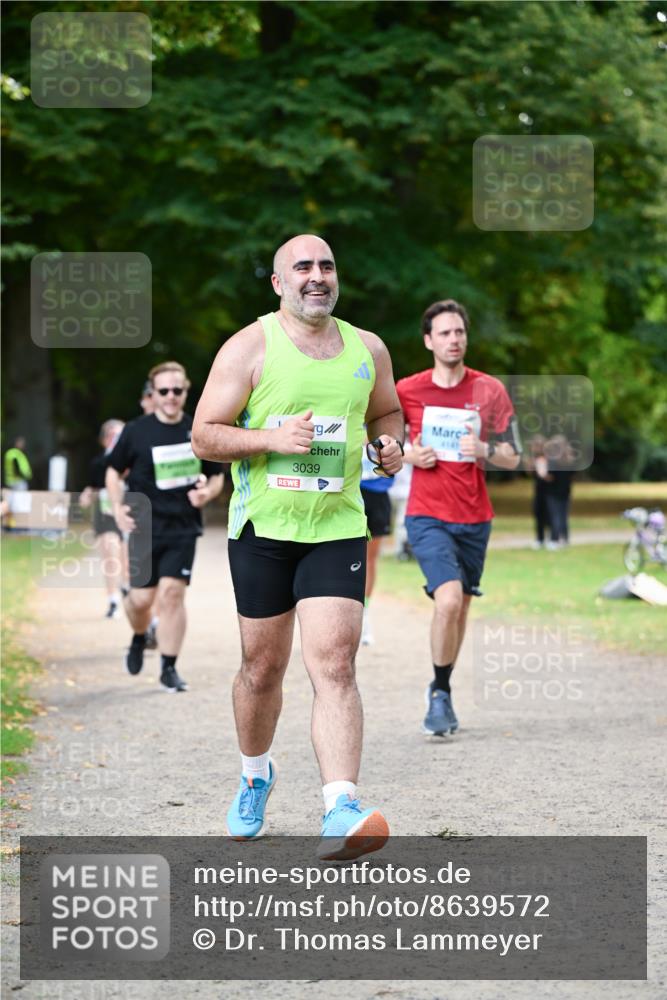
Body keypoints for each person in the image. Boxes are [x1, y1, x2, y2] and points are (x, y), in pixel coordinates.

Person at [192, 233, 404, 860]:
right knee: (262, 671)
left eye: (327, 265)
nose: (318, 276)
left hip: (336, 525)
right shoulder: (250, 346)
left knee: (335, 664)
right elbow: (205, 434)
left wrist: (386, 445)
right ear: (279, 282)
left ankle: (340, 806)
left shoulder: (368, 349)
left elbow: (386, 412)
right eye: (302, 267)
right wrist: (269, 440)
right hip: (263, 531)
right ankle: (255, 775)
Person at [396, 299, 521, 737]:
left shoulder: (489, 390)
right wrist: (409, 453)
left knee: (460, 607)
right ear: (428, 340)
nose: (454, 339)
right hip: (427, 514)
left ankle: (441, 688)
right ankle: (439, 696)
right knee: (447, 601)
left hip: (475, 516)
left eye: (460, 332)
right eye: (445, 333)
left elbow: (513, 455)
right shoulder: (406, 391)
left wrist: (486, 451)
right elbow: (378, 452)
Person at [106, 361, 224, 693]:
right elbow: (113, 472)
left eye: (177, 390)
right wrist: (117, 508)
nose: (171, 396)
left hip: (183, 527)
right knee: (141, 600)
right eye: (164, 391)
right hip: (144, 527)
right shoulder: (135, 431)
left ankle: (169, 668)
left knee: (173, 594)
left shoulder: (199, 430)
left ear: (186, 391)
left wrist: (207, 493)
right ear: (153, 393)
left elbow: (216, 476)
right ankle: (139, 635)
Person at [79, 419, 127, 618]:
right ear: (104, 439)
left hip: (129, 513)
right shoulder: (98, 463)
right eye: (112, 435)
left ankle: (126, 587)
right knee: (109, 554)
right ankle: (113, 600)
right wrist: (86, 495)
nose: (116, 439)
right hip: (105, 513)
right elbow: (92, 486)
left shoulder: (134, 458)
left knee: (126, 560)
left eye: (120, 435)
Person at [359, 442, 393, 645]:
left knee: (369, 560)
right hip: (348, 490)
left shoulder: (385, 415)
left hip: (378, 494)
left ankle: (364, 614)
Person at [544, 434, 575, 548]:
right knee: (563, 516)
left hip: (553, 492)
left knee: (555, 516)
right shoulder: (570, 460)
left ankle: (554, 539)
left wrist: (543, 475)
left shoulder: (553, 460)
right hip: (565, 491)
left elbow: (550, 477)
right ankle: (565, 538)